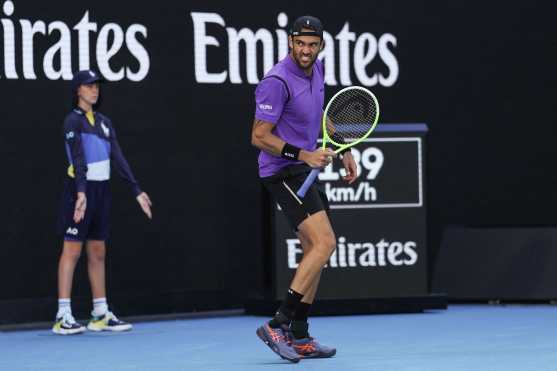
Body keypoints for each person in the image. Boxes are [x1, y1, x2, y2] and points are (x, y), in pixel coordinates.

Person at [251, 16, 357, 362]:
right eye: (300, 43)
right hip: (282, 171)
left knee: (316, 248)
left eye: (312, 44)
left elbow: (320, 114)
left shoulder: (318, 69)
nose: (306, 50)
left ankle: (299, 334)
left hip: (301, 169)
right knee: (325, 243)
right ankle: (278, 324)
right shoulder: (276, 81)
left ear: (321, 45)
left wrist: (343, 150)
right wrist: (305, 155)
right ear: (291, 43)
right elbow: (259, 137)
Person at [52, 70, 152, 335]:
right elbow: (77, 158)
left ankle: (100, 313)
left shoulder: (105, 122)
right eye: (89, 86)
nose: (94, 90)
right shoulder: (72, 122)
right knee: (71, 251)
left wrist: (136, 190)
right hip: (78, 191)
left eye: (96, 86)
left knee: (98, 252)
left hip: (102, 191)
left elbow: (118, 158)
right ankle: (63, 315)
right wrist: (82, 192)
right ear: (78, 91)